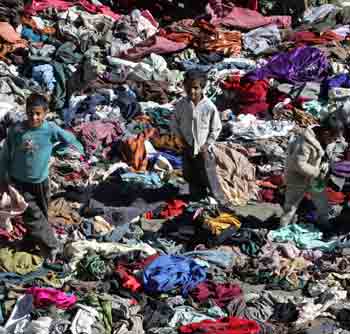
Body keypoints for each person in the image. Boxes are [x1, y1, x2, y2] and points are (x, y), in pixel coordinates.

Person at [0, 93, 83, 261]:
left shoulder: (50, 129)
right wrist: (3, 177)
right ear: (25, 111)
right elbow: (5, 154)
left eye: (38, 113)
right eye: (30, 113)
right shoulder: (17, 130)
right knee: (32, 215)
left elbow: (71, 141)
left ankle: (32, 242)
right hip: (19, 182)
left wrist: (56, 150)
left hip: (41, 181)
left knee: (43, 214)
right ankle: (53, 246)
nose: (34, 117)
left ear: (45, 113)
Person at [280, 116, 344, 230]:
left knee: (322, 201)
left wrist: (326, 164)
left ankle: (323, 222)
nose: (334, 141)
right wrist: (317, 172)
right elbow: (299, 164)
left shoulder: (327, 140)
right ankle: (282, 228)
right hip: (297, 178)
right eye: (333, 138)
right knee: (291, 206)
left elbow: (327, 153)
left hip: (316, 178)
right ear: (326, 133)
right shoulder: (304, 143)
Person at [171, 70, 222, 201]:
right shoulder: (181, 105)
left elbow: (216, 128)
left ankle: (217, 197)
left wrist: (207, 144)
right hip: (187, 145)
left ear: (202, 87)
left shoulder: (209, 107)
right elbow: (174, 123)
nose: (192, 91)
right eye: (188, 88)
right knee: (190, 173)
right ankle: (196, 195)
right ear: (184, 86)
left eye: (196, 88)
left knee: (208, 172)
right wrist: (180, 140)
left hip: (203, 147)